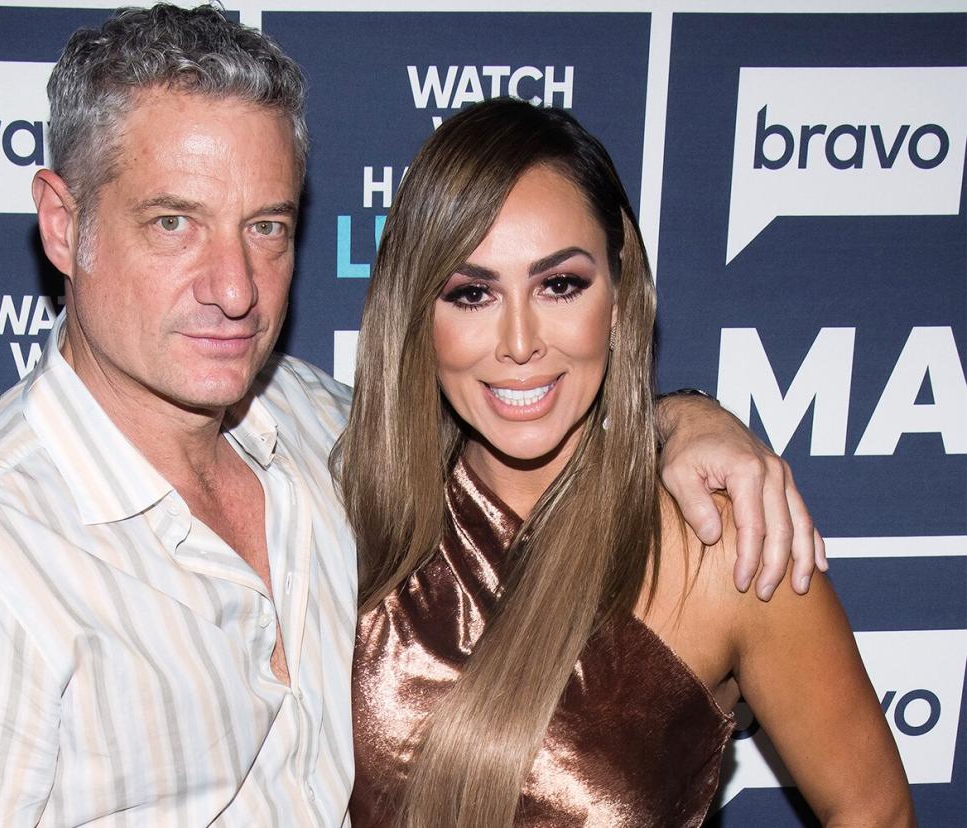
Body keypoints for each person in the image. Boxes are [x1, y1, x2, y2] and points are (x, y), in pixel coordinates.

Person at [0, 6, 822, 826]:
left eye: (267, 227)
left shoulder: (320, 433)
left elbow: (524, 400)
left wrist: (678, 418)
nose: (233, 288)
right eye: (172, 223)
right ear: (64, 223)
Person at [342, 98, 912, 827]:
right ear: (418, 312)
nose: (520, 342)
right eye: (472, 293)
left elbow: (876, 812)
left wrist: (678, 413)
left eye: (559, 285)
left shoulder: (724, 541)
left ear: (619, 295)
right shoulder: (345, 512)